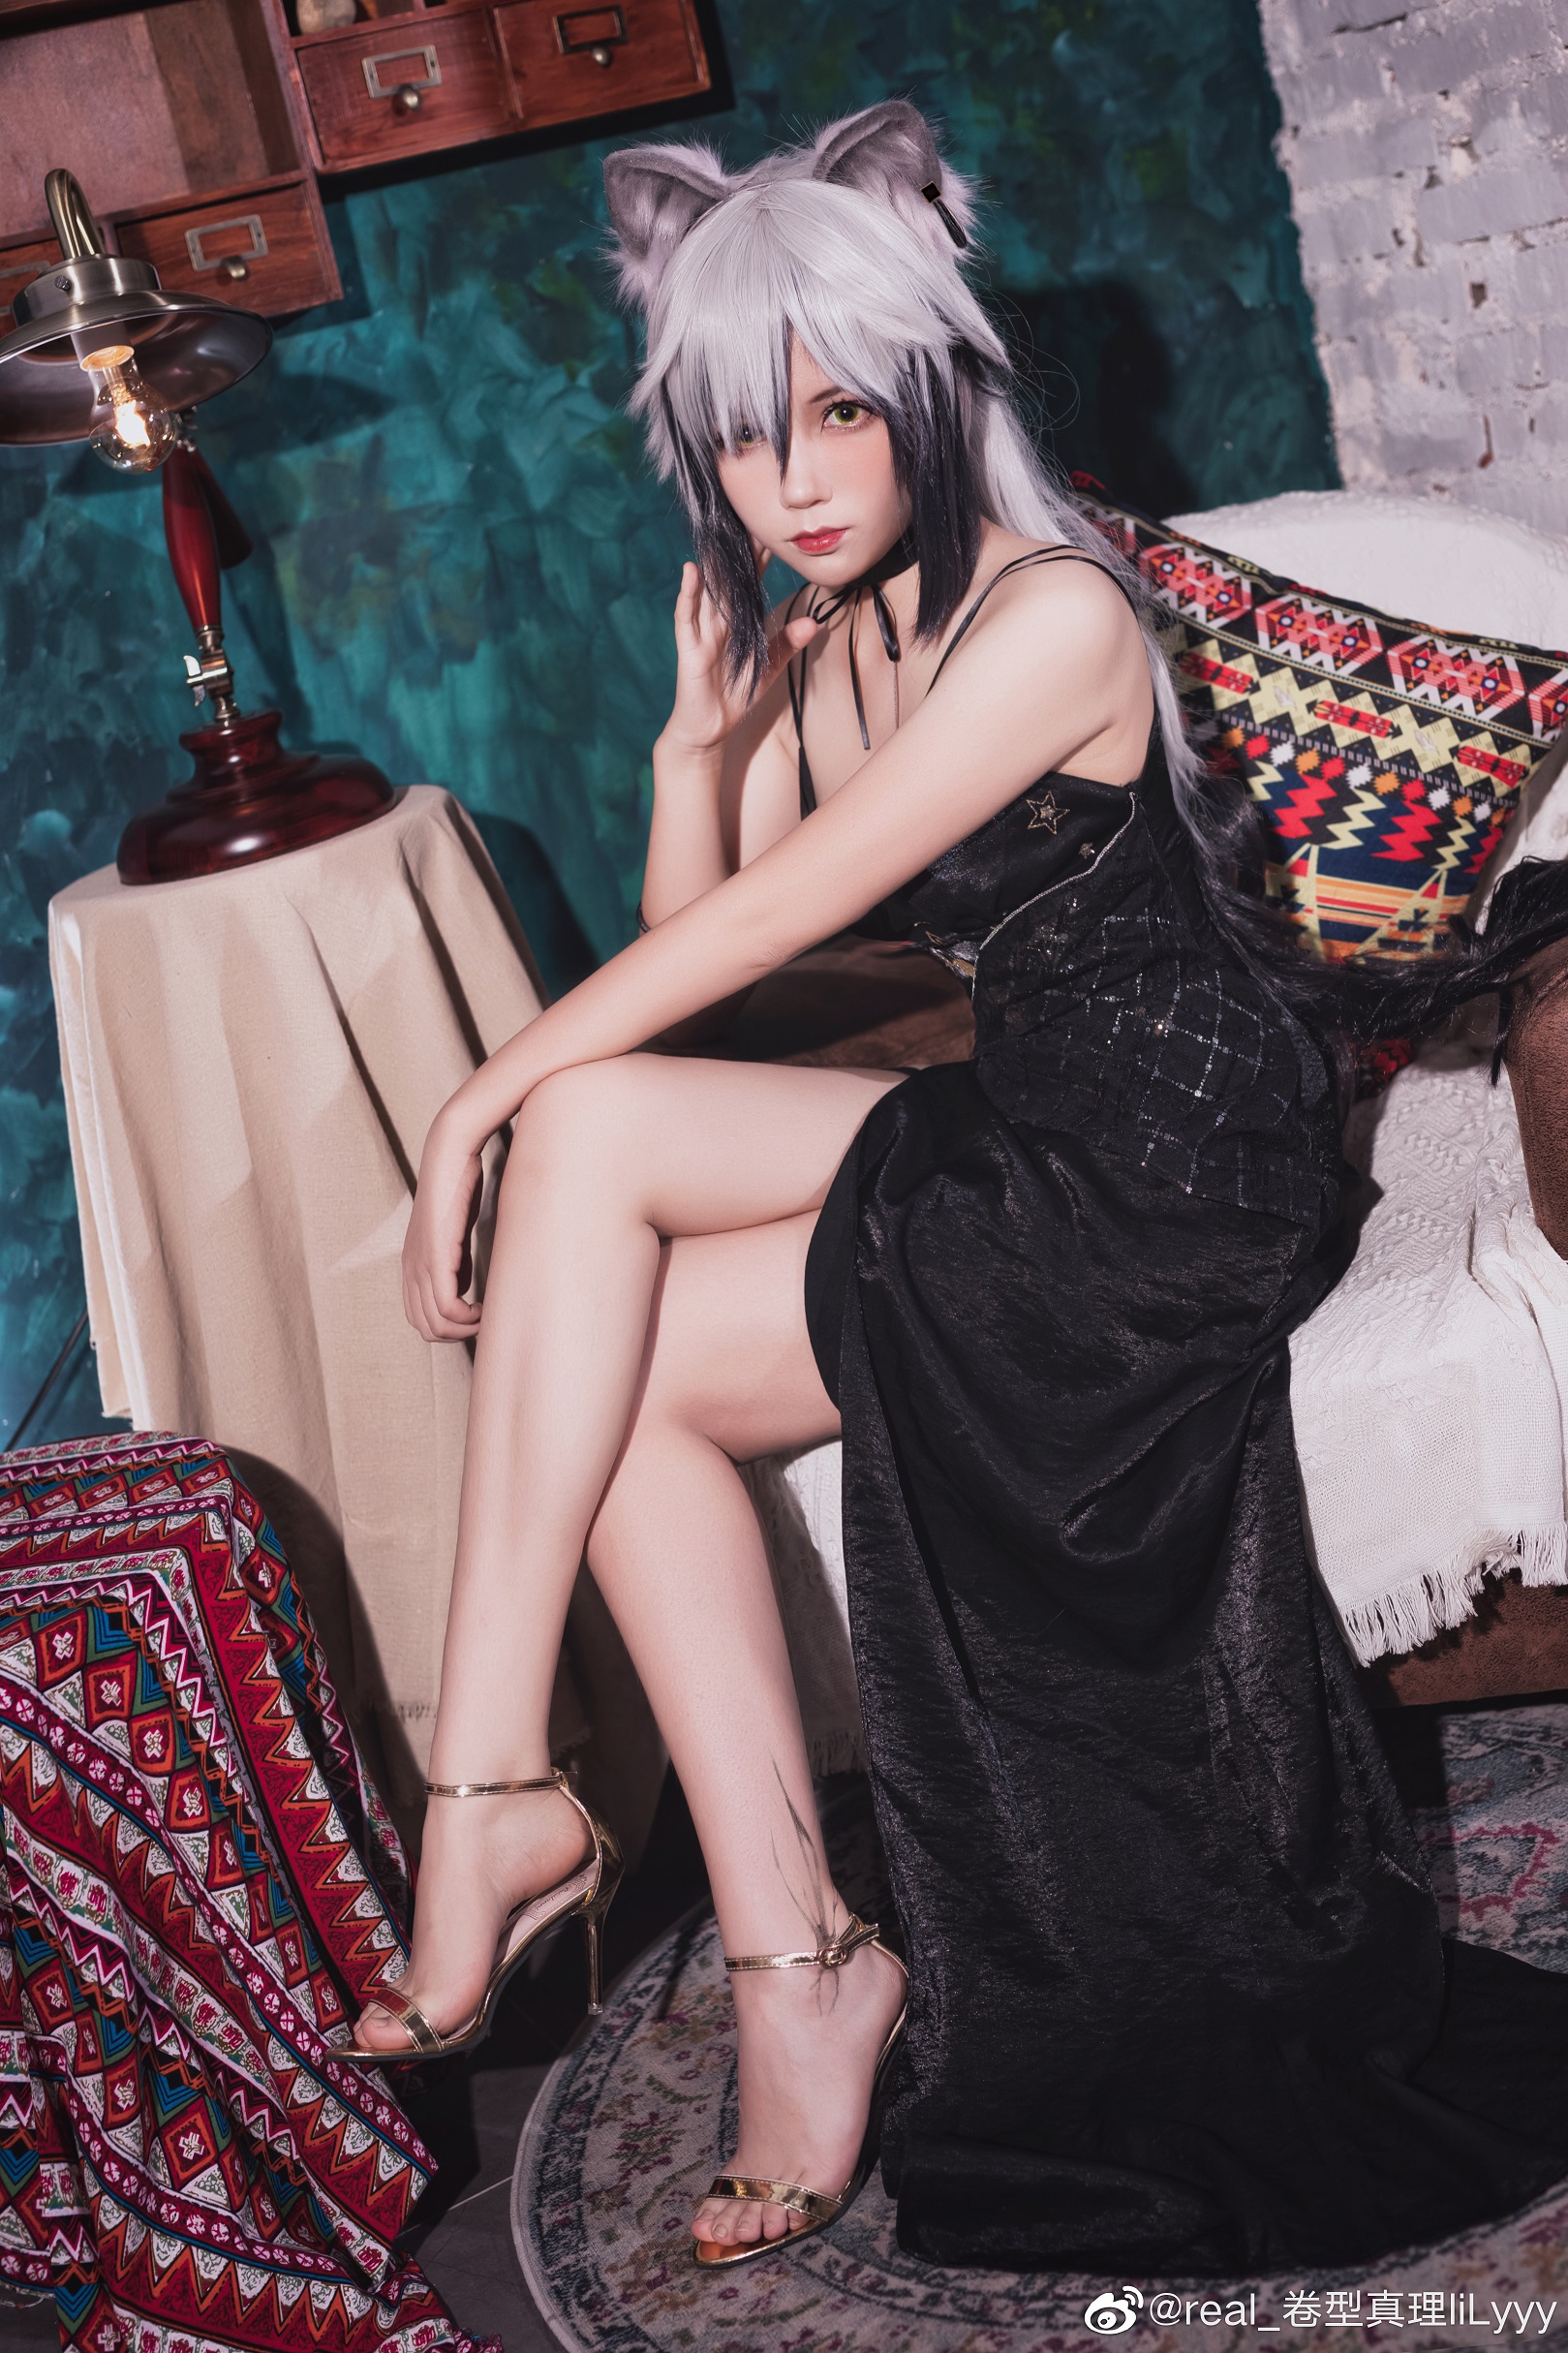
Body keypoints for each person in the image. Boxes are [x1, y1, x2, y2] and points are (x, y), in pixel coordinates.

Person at [347, 99, 1568, 2276]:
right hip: (1026, 1112)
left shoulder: (1055, 615)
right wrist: (692, 750)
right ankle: (776, 1950)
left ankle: (523, 1815)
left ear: (928, 386)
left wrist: (474, 1102)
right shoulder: (833, 644)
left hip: (1187, 1164)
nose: (797, 480)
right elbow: (714, 938)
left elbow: (746, 935)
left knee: (569, 1148)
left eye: (840, 412)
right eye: (745, 438)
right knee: (604, 1279)